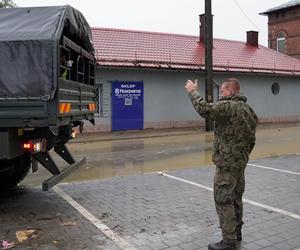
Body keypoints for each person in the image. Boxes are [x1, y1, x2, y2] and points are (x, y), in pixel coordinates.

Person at [185, 78, 257, 250]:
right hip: (240, 163)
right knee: (236, 198)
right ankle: (237, 231)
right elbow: (252, 138)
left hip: (227, 165)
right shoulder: (248, 110)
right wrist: (243, 155)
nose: (221, 95)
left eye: (222, 92)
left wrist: (192, 91)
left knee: (223, 199)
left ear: (230, 92)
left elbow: (204, 109)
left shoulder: (228, 106)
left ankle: (228, 240)